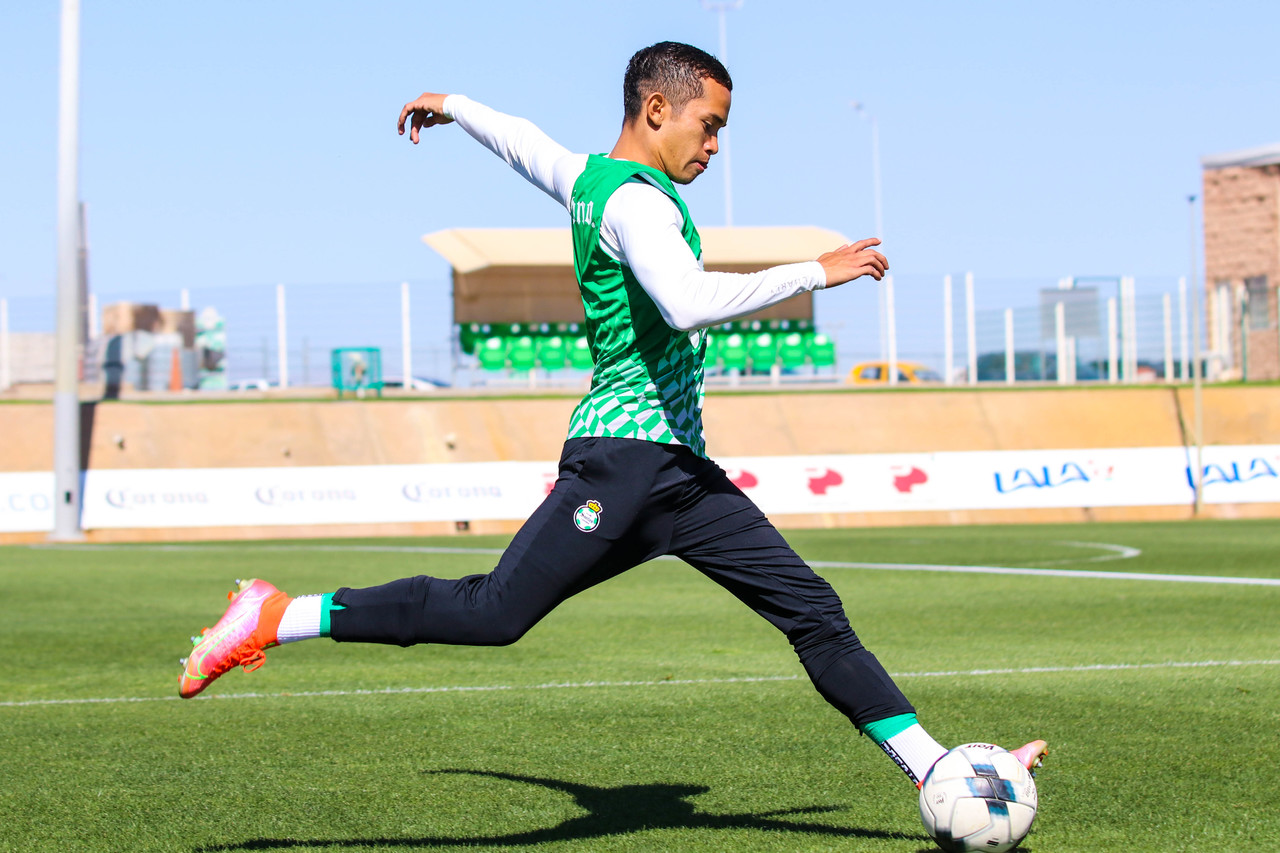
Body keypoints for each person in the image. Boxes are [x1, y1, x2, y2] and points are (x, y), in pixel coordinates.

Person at [179, 41, 1046, 794]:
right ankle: (277, 613)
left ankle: (937, 768)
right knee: (494, 613)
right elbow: (686, 301)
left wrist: (454, 104)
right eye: (710, 125)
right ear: (657, 108)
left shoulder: (592, 179)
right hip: (624, 461)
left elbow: (524, 143)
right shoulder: (637, 202)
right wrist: (815, 270)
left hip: (679, 476)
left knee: (812, 608)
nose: (715, 145)